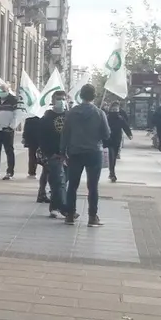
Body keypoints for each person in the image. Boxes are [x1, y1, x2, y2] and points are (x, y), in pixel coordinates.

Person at [60, 84, 111, 227]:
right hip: (94, 152)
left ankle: (70, 214)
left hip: (75, 152)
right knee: (93, 186)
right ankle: (92, 217)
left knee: (72, 185)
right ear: (94, 96)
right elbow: (106, 134)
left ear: (81, 96)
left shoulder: (71, 113)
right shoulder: (100, 113)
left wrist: (62, 151)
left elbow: (65, 133)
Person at [36, 91, 69, 218]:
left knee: (63, 181)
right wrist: (49, 153)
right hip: (54, 154)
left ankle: (59, 206)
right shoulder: (47, 118)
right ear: (53, 100)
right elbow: (42, 137)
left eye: (63, 98)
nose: (61, 101)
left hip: (67, 154)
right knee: (57, 181)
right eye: (58, 98)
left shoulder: (69, 116)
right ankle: (59, 208)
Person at [0, 94, 21, 180]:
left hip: (7, 130)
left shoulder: (13, 101)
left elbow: (17, 115)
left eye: (4, 90)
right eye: (1, 90)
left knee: (9, 151)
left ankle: (9, 172)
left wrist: (11, 127)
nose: (2, 92)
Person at [106, 101, 133, 183]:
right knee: (111, 156)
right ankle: (112, 173)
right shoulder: (107, 118)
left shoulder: (120, 118)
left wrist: (129, 134)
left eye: (116, 109)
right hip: (108, 140)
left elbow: (125, 126)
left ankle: (111, 171)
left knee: (114, 157)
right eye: (113, 109)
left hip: (117, 140)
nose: (115, 111)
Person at [23, 111, 43, 181]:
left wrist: (24, 137)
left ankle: (32, 173)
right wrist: (24, 137)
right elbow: (26, 127)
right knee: (33, 155)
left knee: (33, 155)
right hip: (36, 138)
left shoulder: (31, 116)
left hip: (37, 138)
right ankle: (32, 172)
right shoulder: (42, 116)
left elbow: (26, 127)